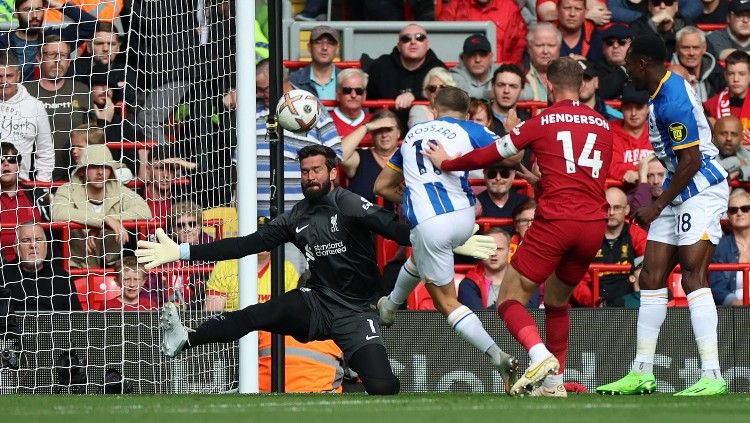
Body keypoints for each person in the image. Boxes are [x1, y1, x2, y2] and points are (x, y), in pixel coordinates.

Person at [136, 144, 495, 396]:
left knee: (385, 388)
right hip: (317, 301)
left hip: (356, 312)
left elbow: (398, 230)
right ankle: (186, 338)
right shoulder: (295, 217)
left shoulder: (350, 203)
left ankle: (345, 373)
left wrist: (448, 240)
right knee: (256, 314)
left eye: (316, 170)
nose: (309, 176)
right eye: (304, 171)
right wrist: (182, 250)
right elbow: (245, 245)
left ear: (332, 173)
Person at [423, 57, 613, 397]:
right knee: (556, 301)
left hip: (556, 222)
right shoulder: (604, 125)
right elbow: (583, 180)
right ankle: (555, 385)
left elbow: (489, 155)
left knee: (509, 298)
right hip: (593, 226)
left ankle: (539, 357)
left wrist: (447, 163)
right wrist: (539, 181)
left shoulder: (541, 121)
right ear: (583, 85)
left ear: (549, 85)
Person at [596, 34, 729, 396]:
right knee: (652, 275)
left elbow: (693, 159)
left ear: (642, 63)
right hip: (677, 186)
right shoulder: (659, 94)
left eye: (628, 65)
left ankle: (713, 375)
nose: (626, 71)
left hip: (701, 186)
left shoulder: (671, 99)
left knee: (691, 273)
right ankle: (641, 372)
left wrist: (656, 204)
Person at [373, 86, 519, 391]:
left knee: (446, 302)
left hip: (431, 223)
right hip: (466, 217)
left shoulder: (412, 135)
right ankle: (389, 306)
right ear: (465, 113)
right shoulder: (473, 129)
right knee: (422, 251)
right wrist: (509, 131)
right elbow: (510, 154)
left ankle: (497, 356)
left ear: (433, 110)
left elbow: (382, 186)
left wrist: (409, 195)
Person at [203, 216, 345, 393]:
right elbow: (210, 311)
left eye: (266, 233)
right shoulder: (226, 266)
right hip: (233, 340)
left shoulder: (286, 269)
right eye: (258, 233)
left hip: (266, 338)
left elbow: (296, 311)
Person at [52, 145, 152, 269]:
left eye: (105, 167)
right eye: (94, 167)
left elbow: (144, 211)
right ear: (82, 170)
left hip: (113, 267)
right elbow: (58, 213)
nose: (100, 172)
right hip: (77, 267)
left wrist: (108, 221)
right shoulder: (67, 189)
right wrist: (103, 220)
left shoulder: (119, 190)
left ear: (111, 171)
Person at [24, 34, 91, 182]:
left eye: (63, 55)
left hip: (76, 179)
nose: (57, 60)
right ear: (39, 58)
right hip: (32, 180)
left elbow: (92, 135)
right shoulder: (24, 91)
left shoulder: (81, 90)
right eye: (52, 54)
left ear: (69, 61)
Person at [364, 23, 446, 124]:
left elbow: (447, 96)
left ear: (427, 45)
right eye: (406, 39)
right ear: (399, 46)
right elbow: (368, 100)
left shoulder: (438, 68)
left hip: (427, 130)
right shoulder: (382, 65)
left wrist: (415, 96)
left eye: (419, 38)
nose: (413, 42)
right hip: (387, 129)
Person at [0, 0, 97, 81]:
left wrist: (60, 6)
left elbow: (92, 25)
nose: (34, 15)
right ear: (16, 13)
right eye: (27, 10)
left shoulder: (54, 39)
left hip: (49, 99)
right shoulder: (3, 43)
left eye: (38, 9)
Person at [2, 222, 81, 312]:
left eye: (38, 240)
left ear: (46, 245)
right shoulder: (3, 276)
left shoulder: (62, 278)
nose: (33, 245)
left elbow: (76, 320)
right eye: (26, 240)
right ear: (16, 248)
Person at [0, 50, 53, 182]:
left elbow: (45, 152)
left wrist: (41, 188)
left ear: (18, 76)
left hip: (20, 187)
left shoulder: (35, 106)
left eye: (9, 76)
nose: (4, 81)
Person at [589, 187, 647, 307]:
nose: (611, 212)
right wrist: (593, 302)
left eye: (617, 207)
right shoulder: (589, 235)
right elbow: (578, 279)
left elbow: (649, 266)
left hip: (629, 306)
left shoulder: (636, 234)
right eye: (607, 207)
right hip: (595, 307)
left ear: (626, 210)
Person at [340, 109, 401, 205]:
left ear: (399, 133)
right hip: (362, 219)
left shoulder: (408, 158)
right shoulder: (361, 158)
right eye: (378, 129)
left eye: (389, 129)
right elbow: (339, 155)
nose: (384, 135)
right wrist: (366, 127)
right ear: (371, 134)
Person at [0, 142, 48, 263]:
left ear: (19, 166)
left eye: (12, 160)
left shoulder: (37, 196)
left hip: (36, 264)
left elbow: (52, 235)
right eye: (1, 160)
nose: (6, 164)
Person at [438, 1, 527, 65]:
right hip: (463, 71)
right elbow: (441, 40)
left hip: (499, 74)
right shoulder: (456, 6)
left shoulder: (509, 7)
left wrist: (508, 70)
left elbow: (519, 45)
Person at [709, 188, 750, 307]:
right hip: (734, 312)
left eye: (745, 208)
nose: (739, 213)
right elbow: (717, 287)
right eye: (733, 210)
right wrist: (737, 304)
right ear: (728, 215)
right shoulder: (720, 248)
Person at [458, 227, 512, 310]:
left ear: (509, 251)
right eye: (488, 249)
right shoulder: (468, 284)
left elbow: (532, 313)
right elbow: (479, 318)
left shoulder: (524, 280)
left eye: (499, 249)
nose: (493, 253)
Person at [608, 84, 653, 183]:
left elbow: (666, 165)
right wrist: (647, 170)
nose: (633, 113)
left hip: (656, 188)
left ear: (648, 108)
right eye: (628, 108)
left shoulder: (657, 131)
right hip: (622, 190)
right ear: (622, 109)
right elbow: (612, 168)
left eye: (639, 107)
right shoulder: (609, 132)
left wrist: (639, 174)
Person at [670, 26, 725, 102]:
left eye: (696, 48)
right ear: (677, 48)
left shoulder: (718, 73)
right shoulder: (667, 76)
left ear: (704, 48)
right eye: (685, 48)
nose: (691, 53)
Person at [289, 25, 341, 101]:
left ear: (337, 49)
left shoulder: (348, 81)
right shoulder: (294, 81)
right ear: (309, 47)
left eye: (330, 43)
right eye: (318, 42)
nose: (324, 47)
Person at [703, 50, 750, 128]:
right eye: (731, 73)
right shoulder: (709, 107)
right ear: (725, 75)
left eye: (742, 74)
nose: (736, 79)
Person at [449, 33, 498, 101]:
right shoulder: (455, 74)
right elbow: (462, 94)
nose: (477, 60)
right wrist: (491, 94)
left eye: (482, 54)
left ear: (491, 57)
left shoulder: (501, 71)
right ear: (463, 57)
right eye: (472, 55)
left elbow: (517, 93)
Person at [520, 22, 562, 102]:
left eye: (551, 45)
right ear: (529, 49)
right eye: (539, 45)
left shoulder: (570, 76)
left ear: (559, 48)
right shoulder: (518, 76)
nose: (545, 51)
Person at [593, 24, 632, 100]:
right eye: (609, 43)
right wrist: (622, 71)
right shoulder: (593, 70)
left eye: (622, 42)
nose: (615, 46)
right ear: (603, 48)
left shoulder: (642, 67)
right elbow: (602, 94)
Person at [489, 64, 530, 137]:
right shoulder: (479, 115)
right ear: (493, 86)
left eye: (513, 86)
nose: (506, 90)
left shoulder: (528, 121)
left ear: (522, 90)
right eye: (501, 85)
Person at [330, 68, 371, 140]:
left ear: (364, 95)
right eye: (347, 90)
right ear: (338, 94)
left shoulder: (373, 121)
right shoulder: (325, 121)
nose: (353, 95)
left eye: (359, 91)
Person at [714, 115, 750, 181]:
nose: (729, 138)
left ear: (741, 138)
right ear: (714, 136)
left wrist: (739, 172)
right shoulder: (705, 152)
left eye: (734, 134)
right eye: (723, 133)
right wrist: (737, 161)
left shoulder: (744, 152)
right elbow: (713, 171)